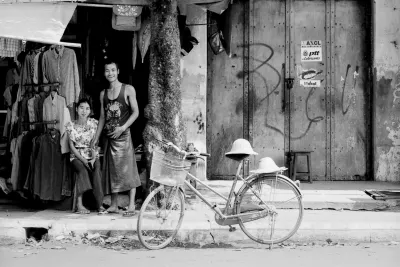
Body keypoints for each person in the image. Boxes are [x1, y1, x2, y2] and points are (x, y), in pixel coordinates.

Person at [91, 59, 141, 217]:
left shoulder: (128, 89)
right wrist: (96, 137)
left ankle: (132, 204)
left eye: (113, 70)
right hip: (108, 138)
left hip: (124, 136)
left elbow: (136, 112)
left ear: (118, 71)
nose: (110, 73)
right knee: (111, 172)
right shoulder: (103, 94)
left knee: (129, 170)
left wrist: (123, 127)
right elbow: (102, 118)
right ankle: (113, 205)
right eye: (107, 70)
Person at [66, 98, 103, 214]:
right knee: (82, 171)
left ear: (90, 111)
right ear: (77, 109)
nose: (84, 111)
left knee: (97, 170)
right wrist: (83, 160)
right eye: (81, 108)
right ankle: (79, 204)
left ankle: (99, 204)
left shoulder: (94, 123)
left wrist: (92, 157)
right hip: (76, 156)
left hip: (91, 154)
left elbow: (95, 143)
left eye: (87, 108)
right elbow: (71, 147)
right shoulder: (70, 125)